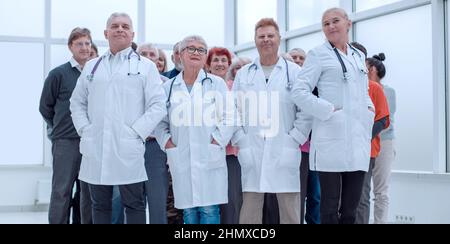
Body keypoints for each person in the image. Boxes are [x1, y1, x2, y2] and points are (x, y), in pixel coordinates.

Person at [70, 12, 166, 224]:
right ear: (106, 33)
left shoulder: (146, 66)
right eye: (115, 26)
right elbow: (77, 102)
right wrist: (85, 129)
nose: (120, 29)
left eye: (125, 26)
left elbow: (158, 105)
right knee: (100, 204)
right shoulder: (92, 66)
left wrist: (136, 132)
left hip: (127, 146)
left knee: (134, 204)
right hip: (96, 145)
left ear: (132, 34)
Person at [291, 8, 375, 224]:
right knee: (328, 208)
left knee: (350, 210)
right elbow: (299, 91)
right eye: (326, 23)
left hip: (357, 140)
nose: (330, 26)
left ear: (348, 23)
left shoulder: (358, 56)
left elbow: (364, 91)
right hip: (331, 139)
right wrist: (327, 110)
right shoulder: (318, 54)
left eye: (335, 21)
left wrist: (369, 111)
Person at [232, 18, 309, 224]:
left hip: (285, 148)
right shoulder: (243, 74)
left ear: (279, 39)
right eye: (261, 36)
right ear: (255, 41)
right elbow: (233, 111)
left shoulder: (295, 72)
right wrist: (241, 139)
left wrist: (294, 138)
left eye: (270, 36)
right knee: (249, 211)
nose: (266, 40)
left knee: (290, 211)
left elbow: (306, 111)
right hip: (252, 149)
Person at [155, 35, 235, 224]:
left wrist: (217, 141)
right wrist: (167, 143)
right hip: (181, 156)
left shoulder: (216, 84)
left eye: (201, 49)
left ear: (205, 56)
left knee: (209, 210)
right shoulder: (168, 87)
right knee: (188, 211)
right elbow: (159, 122)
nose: (196, 52)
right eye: (190, 48)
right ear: (180, 55)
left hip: (210, 156)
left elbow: (230, 117)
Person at [39, 27, 93, 224]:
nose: (84, 48)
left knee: (86, 193)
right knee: (61, 190)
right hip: (65, 142)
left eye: (87, 43)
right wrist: (59, 128)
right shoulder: (58, 74)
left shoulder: (95, 73)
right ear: (71, 47)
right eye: (79, 44)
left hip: (89, 142)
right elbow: (45, 107)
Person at [350, 44, 391, 224]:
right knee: (339, 198)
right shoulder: (337, 85)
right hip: (339, 150)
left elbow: (382, 120)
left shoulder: (374, 88)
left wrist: (361, 137)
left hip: (366, 150)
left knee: (361, 196)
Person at [206, 47, 242, 224]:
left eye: (223, 60)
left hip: (230, 153)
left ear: (229, 65)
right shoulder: (201, 87)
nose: (220, 64)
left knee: (231, 201)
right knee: (209, 203)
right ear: (208, 64)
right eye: (215, 60)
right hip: (206, 151)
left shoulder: (235, 88)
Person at [137, 42, 170, 224]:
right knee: (132, 201)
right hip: (131, 146)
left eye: (152, 54)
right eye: (144, 53)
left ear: (158, 60)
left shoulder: (167, 85)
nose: (148, 57)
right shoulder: (126, 80)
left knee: (157, 200)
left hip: (155, 147)